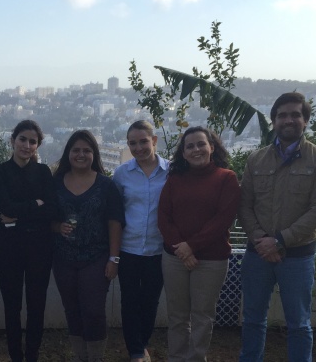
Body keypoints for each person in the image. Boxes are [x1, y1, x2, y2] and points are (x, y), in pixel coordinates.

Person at [238, 92, 316, 362]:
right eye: (282, 115)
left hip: (297, 256)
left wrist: (279, 240)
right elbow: (244, 205)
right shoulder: (256, 160)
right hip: (258, 254)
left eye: (295, 114)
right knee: (253, 319)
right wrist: (261, 240)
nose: (288, 120)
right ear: (273, 121)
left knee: (299, 324)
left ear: (305, 121)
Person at [157, 127, 240, 362]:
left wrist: (190, 246)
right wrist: (181, 249)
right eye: (190, 146)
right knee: (177, 316)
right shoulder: (174, 180)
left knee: (203, 316)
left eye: (201, 144)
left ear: (212, 147)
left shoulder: (227, 178)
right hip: (175, 258)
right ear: (183, 153)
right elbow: (164, 217)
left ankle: (196, 358)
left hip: (211, 260)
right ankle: (176, 358)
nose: (196, 150)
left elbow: (223, 219)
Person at [52, 130, 124, 362]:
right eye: (76, 150)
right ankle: (80, 357)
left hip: (97, 257)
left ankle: (95, 357)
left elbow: (115, 222)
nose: (81, 154)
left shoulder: (106, 185)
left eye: (86, 150)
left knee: (93, 311)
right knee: (72, 309)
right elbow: (46, 217)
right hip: (63, 257)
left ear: (94, 154)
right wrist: (57, 227)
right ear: (68, 153)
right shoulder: (55, 183)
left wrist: (114, 259)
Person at [0, 120, 60, 362]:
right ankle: (15, 356)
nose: (27, 145)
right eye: (23, 139)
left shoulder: (43, 172)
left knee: (36, 305)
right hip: (9, 249)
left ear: (37, 146)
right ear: (12, 141)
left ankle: (32, 355)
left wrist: (19, 213)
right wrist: (35, 205)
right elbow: (5, 206)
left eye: (32, 141)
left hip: (39, 249)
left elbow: (52, 209)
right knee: (12, 307)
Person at [111, 121, 169, 362]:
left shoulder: (172, 171)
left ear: (154, 140)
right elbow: (114, 212)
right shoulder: (122, 173)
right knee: (130, 300)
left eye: (143, 141)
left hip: (159, 248)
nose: (139, 147)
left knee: (151, 300)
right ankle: (135, 350)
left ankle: (143, 343)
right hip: (129, 248)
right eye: (132, 143)